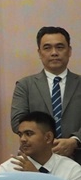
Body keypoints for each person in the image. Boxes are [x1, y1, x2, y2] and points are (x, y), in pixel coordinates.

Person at [11, 27, 81, 163]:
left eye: (60, 47)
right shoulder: (25, 85)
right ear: (39, 52)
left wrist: (75, 140)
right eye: (47, 48)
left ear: (69, 51)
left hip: (78, 157)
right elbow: (17, 122)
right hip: (36, 160)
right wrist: (45, 143)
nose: (54, 53)